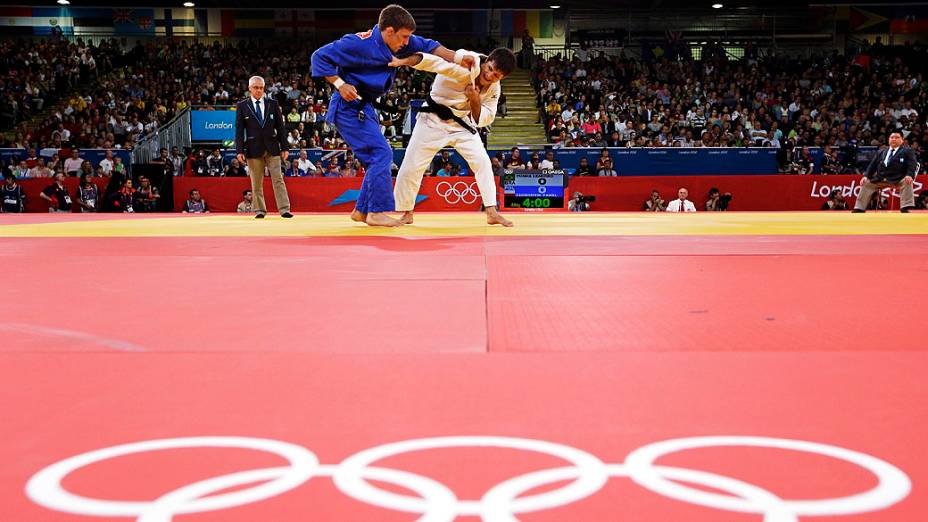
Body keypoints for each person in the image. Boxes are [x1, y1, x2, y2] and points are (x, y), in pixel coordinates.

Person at [311, 4, 472, 227]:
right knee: (381, 153)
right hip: (347, 106)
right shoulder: (357, 43)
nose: (406, 42)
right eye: (404, 37)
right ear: (389, 31)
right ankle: (376, 212)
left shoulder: (400, 39)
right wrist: (339, 84)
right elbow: (318, 56)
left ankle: (361, 210)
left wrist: (456, 57)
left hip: (364, 106)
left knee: (376, 157)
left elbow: (430, 46)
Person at [391, 47, 516, 227]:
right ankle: (406, 212)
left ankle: (491, 211)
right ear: (486, 60)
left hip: (460, 124)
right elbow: (431, 62)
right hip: (431, 119)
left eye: (496, 75)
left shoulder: (494, 89)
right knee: (411, 166)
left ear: (501, 78)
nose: (489, 76)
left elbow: (484, 119)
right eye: (489, 69)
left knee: (482, 162)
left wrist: (475, 99)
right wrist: (401, 61)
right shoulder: (465, 65)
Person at [235, 75, 293, 219]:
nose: (259, 90)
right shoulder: (242, 105)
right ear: (249, 89)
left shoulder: (272, 103)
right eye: (256, 88)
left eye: (261, 88)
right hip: (253, 148)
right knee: (256, 181)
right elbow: (239, 129)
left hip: (272, 147)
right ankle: (260, 210)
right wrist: (239, 150)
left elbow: (280, 127)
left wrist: (285, 147)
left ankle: (284, 209)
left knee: (278, 178)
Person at [852, 132, 917, 213]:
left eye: (896, 137)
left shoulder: (907, 151)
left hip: (898, 179)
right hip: (880, 178)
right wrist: (866, 176)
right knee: (866, 183)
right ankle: (859, 208)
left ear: (902, 140)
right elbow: (872, 165)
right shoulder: (881, 151)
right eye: (891, 137)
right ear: (888, 140)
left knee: (907, 182)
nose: (893, 139)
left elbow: (912, 164)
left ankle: (906, 207)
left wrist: (909, 175)